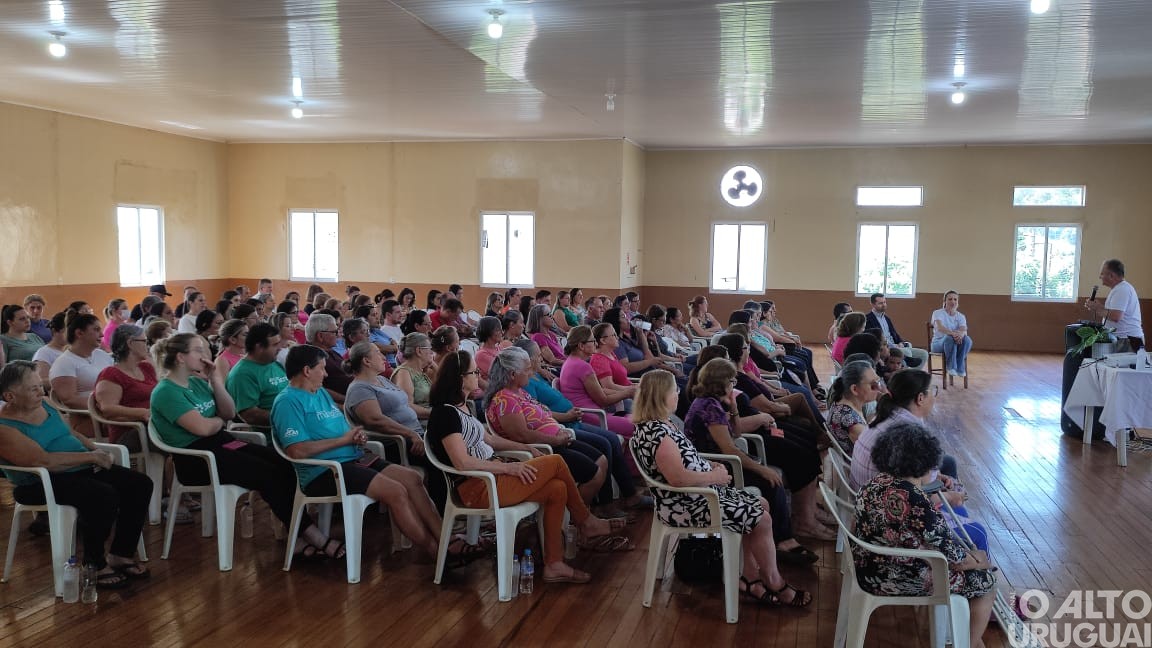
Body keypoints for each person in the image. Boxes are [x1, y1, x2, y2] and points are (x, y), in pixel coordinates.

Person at [426, 350, 626, 584]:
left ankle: (554, 564)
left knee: (557, 488)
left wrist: (527, 449)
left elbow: (490, 440)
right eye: (473, 372)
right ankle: (586, 521)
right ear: (460, 379)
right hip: (476, 487)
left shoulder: (463, 407)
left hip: (490, 477)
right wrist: (509, 469)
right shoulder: (444, 414)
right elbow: (462, 462)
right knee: (556, 462)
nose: (478, 375)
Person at [631, 369, 813, 606]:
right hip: (688, 504)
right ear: (660, 396)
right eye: (673, 390)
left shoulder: (656, 425)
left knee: (763, 504)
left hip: (696, 496)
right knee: (762, 518)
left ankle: (749, 577)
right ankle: (773, 580)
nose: (677, 394)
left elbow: (683, 461)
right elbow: (678, 479)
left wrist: (707, 464)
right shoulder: (659, 433)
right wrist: (714, 476)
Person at [150, 333, 340, 559]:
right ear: (181, 358)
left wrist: (215, 381)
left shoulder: (195, 383)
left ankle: (298, 535)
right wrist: (218, 421)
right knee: (267, 474)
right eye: (198, 350)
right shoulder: (165, 392)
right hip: (197, 459)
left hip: (220, 443)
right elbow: (201, 429)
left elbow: (229, 412)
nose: (205, 355)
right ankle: (311, 535)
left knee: (284, 463)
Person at [272, 344, 459, 562]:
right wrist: (342, 440)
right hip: (325, 471)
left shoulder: (319, 393)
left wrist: (354, 435)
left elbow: (339, 428)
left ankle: (446, 539)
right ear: (306, 371)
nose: (326, 374)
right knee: (396, 491)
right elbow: (296, 450)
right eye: (322, 369)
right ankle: (436, 552)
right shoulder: (287, 402)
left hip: (353, 458)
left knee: (412, 479)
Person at [0, 360, 153, 588]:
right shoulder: (5, 428)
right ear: (10, 396)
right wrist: (91, 458)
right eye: (33, 389)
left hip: (78, 469)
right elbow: (43, 460)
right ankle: (94, 564)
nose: (41, 392)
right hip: (40, 483)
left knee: (139, 484)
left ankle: (121, 554)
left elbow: (70, 432)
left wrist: (95, 449)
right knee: (102, 495)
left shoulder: (45, 403)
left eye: (39, 386)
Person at [854, 423, 995, 646]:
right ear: (923, 462)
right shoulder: (916, 500)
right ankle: (970, 642)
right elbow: (954, 558)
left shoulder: (874, 483)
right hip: (895, 576)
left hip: (866, 566)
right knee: (986, 581)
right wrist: (979, 559)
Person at [683, 357, 830, 551]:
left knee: (773, 476)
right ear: (722, 383)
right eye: (732, 381)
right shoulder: (709, 408)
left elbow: (735, 433)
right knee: (771, 481)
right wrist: (761, 469)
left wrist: (734, 408)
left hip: (721, 462)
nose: (734, 385)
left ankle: (784, 534)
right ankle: (783, 540)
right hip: (716, 467)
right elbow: (729, 449)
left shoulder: (713, 403)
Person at [512, 339, 649, 513]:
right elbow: (534, 414)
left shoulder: (537, 375)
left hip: (572, 419)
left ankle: (629, 494)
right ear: (527, 359)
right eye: (537, 356)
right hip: (562, 425)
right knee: (607, 443)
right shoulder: (526, 384)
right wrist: (566, 415)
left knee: (612, 439)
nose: (541, 359)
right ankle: (604, 504)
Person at [484, 348, 610, 508]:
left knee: (602, 460)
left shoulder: (519, 392)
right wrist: (556, 439)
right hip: (543, 451)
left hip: (556, 442)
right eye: (527, 369)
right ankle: (580, 517)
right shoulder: (504, 400)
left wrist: (560, 430)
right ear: (512, 374)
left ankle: (579, 511)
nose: (531, 373)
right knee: (595, 473)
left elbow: (544, 414)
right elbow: (522, 436)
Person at [558, 326, 636, 439]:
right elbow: (603, 400)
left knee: (640, 419)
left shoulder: (571, 361)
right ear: (581, 346)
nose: (596, 343)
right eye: (593, 341)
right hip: (594, 416)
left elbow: (600, 391)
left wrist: (629, 390)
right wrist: (628, 393)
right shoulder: (583, 367)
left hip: (588, 413)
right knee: (640, 425)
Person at [93, 325, 157, 451]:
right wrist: (143, 413)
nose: (148, 346)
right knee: (177, 436)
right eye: (144, 341)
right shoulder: (111, 374)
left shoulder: (146, 368)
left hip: (152, 425)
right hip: (130, 431)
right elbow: (107, 409)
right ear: (131, 343)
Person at [49, 313, 114, 436]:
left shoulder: (102, 355)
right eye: (96, 330)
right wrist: (107, 405)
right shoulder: (64, 363)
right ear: (79, 333)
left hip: (112, 413)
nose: (102, 334)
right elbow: (70, 400)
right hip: (90, 421)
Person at [225, 323, 288, 428]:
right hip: (276, 431)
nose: (280, 348)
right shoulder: (242, 375)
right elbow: (250, 415)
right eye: (275, 345)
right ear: (259, 347)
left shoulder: (273, 363)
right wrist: (288, 417)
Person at [1085, 258, 1144, 352]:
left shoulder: (1122, 290)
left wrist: (1097, 308)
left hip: (1127, 341)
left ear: (1111, 276)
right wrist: (1100, 307)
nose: (1100, 277)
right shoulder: (1119, 289)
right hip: (1124, 339)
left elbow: (1116, 317)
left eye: (1102, 273)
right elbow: (1113, 313)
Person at [826, 360, 879, 454]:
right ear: (854, 389)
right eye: (873, 385)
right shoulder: (853, 424)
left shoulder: (841, 402)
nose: (878, 389)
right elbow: (878, 452)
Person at [864, 293, 928, 368]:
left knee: (924, 354)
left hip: (895, 345)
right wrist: (893, 346)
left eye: (884, 302)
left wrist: (900, 342)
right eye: (880, 303)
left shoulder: (886, 318)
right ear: (873, 304)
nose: (884, 305)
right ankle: (903, 375)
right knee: (906, 352)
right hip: (884, 348)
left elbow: (894, 334)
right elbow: (875, 339)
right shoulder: (868, 319)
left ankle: (912, 377)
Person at [305, 312, 352, 404]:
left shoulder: (330, 351)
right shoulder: (312, 358)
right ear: (320, 336)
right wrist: (347, 400)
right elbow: (317, 389)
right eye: (334, 332)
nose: (339, 335)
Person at [931, 291, 974, 378]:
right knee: (949, 338)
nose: (953, 301)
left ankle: (960, 367)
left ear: (958, 302)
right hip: (938, 344)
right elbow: (940, 328)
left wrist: (961, 335)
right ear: (945, 301)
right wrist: (954, 334)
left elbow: (963, 329)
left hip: (955, 343)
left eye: (955, 299)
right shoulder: (937, 313)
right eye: (950, 299)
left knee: (967, 339)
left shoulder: (961, 316)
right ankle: (951, 367)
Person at [393, 333, 434, 421]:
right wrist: (436, 413)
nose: (432, 352)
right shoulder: (404, 372)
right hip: (420, 423)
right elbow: (407, 406)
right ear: (419, 351)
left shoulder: (421, 371)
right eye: (429, 348)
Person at [32, 312, 68, 385]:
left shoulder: (74, 351)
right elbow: (41, 382)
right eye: (67, 332)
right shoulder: (44, 353)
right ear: (54, 331)